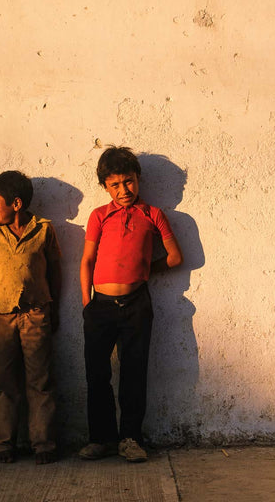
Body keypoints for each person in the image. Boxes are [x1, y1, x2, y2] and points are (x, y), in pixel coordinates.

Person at [78, 147, 183, 463]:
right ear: (105, 187)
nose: (124, 190)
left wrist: (146, 271)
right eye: (115, 185)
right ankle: (101, 439)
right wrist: (87, 302)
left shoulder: (152, 214)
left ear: (138, 180)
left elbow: (176, 257)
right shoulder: (99, 215)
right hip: (101, 306)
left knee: (134, 373)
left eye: (129, 181)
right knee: (97, 374)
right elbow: (87, 260)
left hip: (137, 304)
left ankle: (131, 439)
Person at [0, 170, 62, 465]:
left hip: (36, 313)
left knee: (40, 379)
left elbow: (54, 271)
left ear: (16, 204)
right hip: (1, 314)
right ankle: (2, 443)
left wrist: (55, 308)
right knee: (2, 381)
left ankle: (44, 443)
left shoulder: (43, 229)